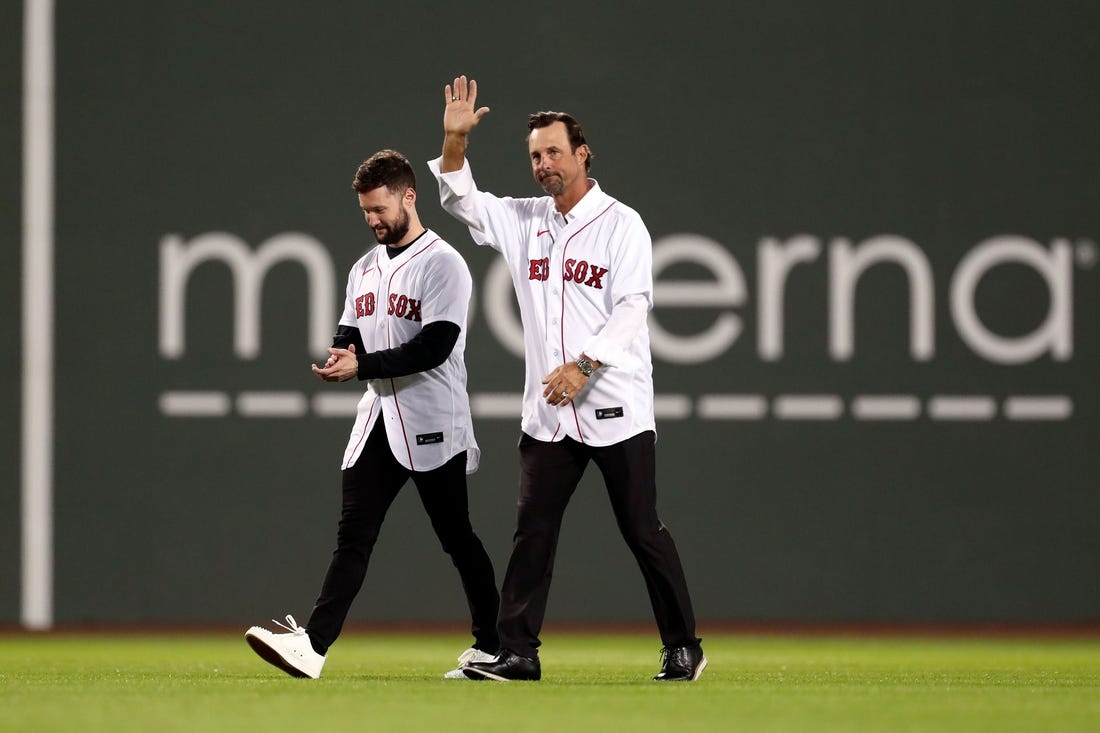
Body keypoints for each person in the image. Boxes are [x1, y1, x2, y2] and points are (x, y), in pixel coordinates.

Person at [428, 76, 706, 682]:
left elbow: (634, 307)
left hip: (616, 404)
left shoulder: (622, 224)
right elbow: (461, 201)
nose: (543, 164)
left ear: (583, 154)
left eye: (554, 151)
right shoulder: (526, 220)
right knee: (533, 534)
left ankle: (684, 646)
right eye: (534, 155)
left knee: (642, 530)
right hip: (549, 412)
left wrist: (585, 365)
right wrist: (454, 143)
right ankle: (518, 653)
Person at [245, 149, 500, 680]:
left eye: (380, 208)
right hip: (380, 416)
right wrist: (341, 354)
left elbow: (436, 346)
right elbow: (350, 331)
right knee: (353, 533)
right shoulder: (364, 267)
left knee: (457, 537)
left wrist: (360, 366)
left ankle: (493, 645)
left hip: (433, 419)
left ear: (410, 195)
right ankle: (312, 647)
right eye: (365, 211)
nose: (372, 220)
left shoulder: (443, 263)